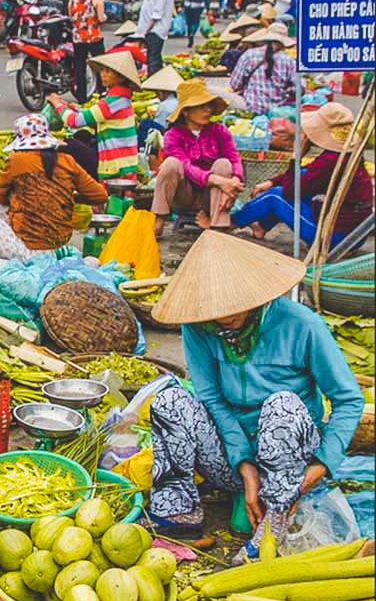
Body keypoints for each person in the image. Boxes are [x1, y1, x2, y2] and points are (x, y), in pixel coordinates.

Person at [147, 231, 364, 561]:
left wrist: (318, 468)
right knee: (168, 400)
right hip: (234, 461)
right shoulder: (198, 326)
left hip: (293, 467)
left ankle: (276, 519)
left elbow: (349, 400)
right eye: (214, 315)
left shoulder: (302, 325)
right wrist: (246, 469)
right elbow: (212, 400)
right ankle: (179, 519)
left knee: (281, 405)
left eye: (233, 312)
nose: (223, 323)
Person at [233, 103, 373, 247]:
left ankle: (231, 222)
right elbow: (306, 173)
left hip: (336, 239)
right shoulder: (341, 155)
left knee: (275, 196)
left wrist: (296, 156)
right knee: (294, 180)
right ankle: (261, 227)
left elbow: (290, 192)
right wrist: (271, 182)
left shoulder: (330, 161)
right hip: (355, 236)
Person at [0, 113, 108, 254]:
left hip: (28, 248)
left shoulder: (17, 160)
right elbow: (100, 195)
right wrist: (71, 197)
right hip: (61, 242)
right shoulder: (67, 160)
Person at [152, 79, 243, 237]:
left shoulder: (219, 131)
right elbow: (186, 168)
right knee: (171, 164)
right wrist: (219, 180)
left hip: (212, 196)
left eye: (209, 106)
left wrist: (234, 182)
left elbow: (234, 158)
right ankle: (158, 220)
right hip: (184, 195)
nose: (207, 110)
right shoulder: (173, 136)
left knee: (224, 164)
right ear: (186, 111)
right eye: (201, 106)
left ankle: (218, 227)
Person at [48, 50, 141, 179]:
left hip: (115, 167)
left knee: (70, 144)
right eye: (102, 71)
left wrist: (57, 104)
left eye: (108, 72)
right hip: (123, 162)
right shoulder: (121, 99)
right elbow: (94, 118)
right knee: (83, 135)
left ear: (120, 77)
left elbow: (73, 122)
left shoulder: (112, 101)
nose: (103, 75)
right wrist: (74, 109)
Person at [230, 23, 296, 115]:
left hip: (250, 108)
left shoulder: (249, 55)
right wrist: (287, 88)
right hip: (277, 111)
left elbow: (234, 84)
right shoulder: (289, 60)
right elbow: (299, 89)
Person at [69, 0, 108, 102]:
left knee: (80, 67)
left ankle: (81, 97)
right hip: (93, 38)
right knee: (100, 66)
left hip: (78, 38)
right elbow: (101, 18)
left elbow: (71, 16)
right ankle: (102, 93)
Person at [138, 0, 174, 77]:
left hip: (155, 28)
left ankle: (154, 89)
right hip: (153, 28)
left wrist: (147, 29)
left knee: (152, 61)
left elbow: (158, 8)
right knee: (154, 59)